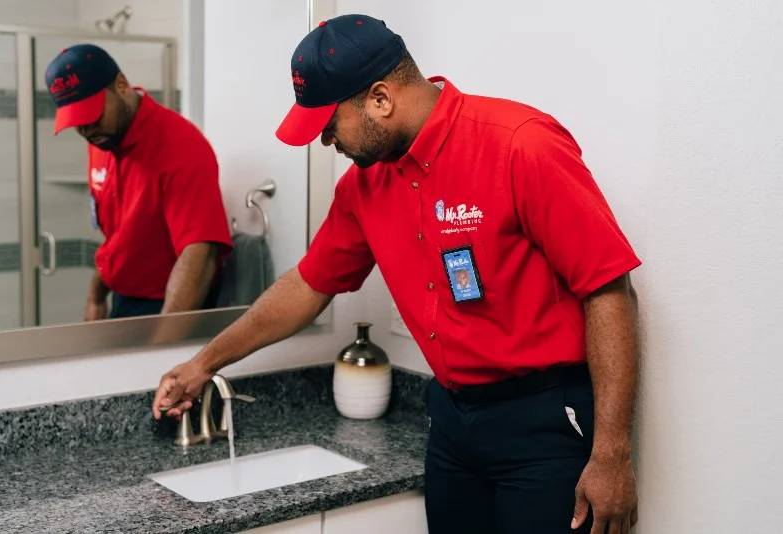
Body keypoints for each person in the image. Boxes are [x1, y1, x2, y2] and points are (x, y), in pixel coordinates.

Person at [152, 14, 641, 534]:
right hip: (452, 424)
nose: (325, 143)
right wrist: (203, 363)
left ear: (381, 99)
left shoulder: (520, 145)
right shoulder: (363, 188)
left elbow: (607, 288)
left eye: (329, 124)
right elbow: (306, 286)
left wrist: (611, 453)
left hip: (544, 422)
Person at [46, 44, 233, 320]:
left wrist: (164, 340)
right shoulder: (101, 140)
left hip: (168, 306)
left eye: (91, 115)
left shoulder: (182, 146)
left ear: (121, 85)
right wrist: (95, 296)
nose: (86, 130)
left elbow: (199, 253)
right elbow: (119, 236)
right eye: (77, 122)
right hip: (122, 299)